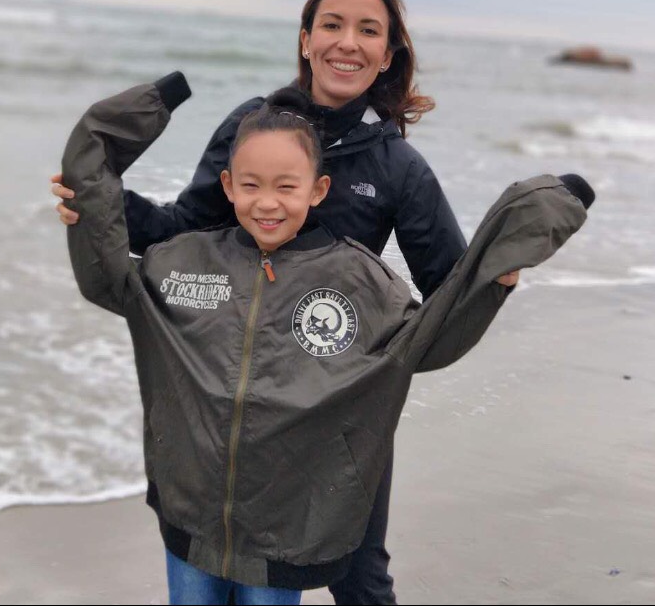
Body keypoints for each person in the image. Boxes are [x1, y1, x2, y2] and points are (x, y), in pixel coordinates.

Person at [51, 0, 502, 604]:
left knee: (360, 574)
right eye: (332, 25)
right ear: (305, 38)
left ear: (387, 54)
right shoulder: (251, 126)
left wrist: (497, 273)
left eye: (368, 31)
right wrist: (100, 203)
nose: (348, 41)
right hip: (236, 390)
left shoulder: (397, 166)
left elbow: (447, 293)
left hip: (336, 413)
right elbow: (186, 231)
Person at [61, 75, 590, 605]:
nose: (267, 202)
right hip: (190, 521)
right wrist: (92, 186)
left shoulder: (362, 282)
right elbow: (109, 276)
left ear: (318, 190)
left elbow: (428, 338)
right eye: (250, 185)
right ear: (227, 186)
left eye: (286, 186)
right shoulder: (183, 261)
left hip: (283, 536)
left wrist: (498, 269)